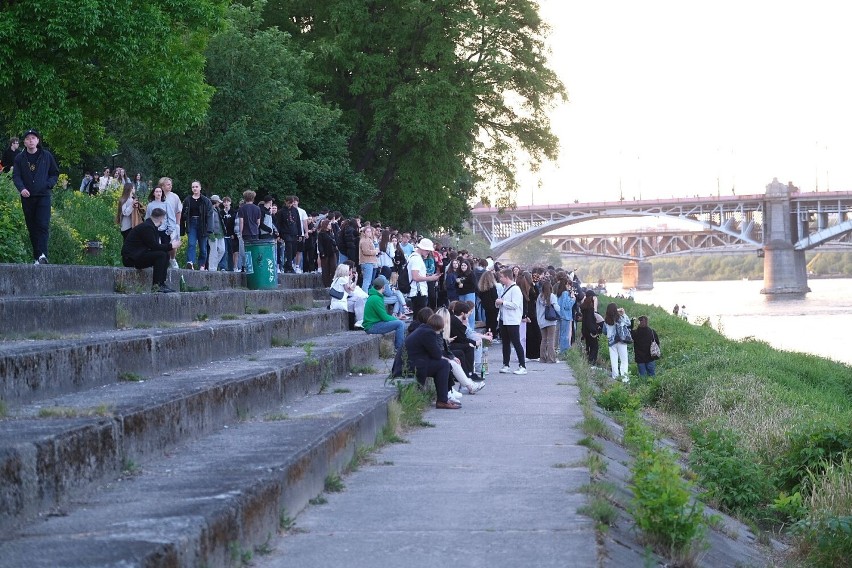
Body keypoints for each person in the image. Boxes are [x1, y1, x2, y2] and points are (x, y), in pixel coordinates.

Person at [12, 129, 59, 264]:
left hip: (43, 195)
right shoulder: (19, 158)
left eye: (33, 138)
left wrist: (48, 184)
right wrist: (21, 188)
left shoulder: (46, 156)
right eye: (28, 138)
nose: (31, 140)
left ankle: (43, 255)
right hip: (27, 197)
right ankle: (37, 256)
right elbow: (16, 176)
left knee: (42, 225)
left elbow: (54, 173)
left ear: (38, 141)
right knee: (32, 227)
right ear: (25, 142)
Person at [403, 313, 460, 409]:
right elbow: (437, 354)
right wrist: (446, 359)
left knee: (443, 364)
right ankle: (442, 400)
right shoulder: (428, 333)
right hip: (411, 365)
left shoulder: (423, 330)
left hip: (410, 362)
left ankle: (444, 398)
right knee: (444, 365)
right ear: (439, 327)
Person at [121, 207, 182, 293]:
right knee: (161, 255)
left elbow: (154, 246)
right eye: (164, 219)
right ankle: (156, 285)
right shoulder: (147, 228)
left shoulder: (151, 226)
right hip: (131, 258)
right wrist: (171, 245)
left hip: (138, 255)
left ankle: (161, 283)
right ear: (161, 218)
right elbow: (154, 246)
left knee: (165, 254)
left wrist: (169, 246)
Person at [362, 276, 407, 350]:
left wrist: (396, 318)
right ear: (383, 287)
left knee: (400, 323)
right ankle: (399, 349)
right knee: (400, 324)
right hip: (372, 326)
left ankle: (401, 348)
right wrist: (396, 318)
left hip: (374, 324)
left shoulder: (375, 296)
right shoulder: (376, 299)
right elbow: (384, 317)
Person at [496, 268, 526, 375]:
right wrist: (499, 303)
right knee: (505, 343)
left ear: (507, 277)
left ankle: (522, 365)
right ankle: (506, 364)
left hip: (512, 320)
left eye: (501, 277)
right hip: (503, 319)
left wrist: (503, 302)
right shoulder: (504, 288)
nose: (500, 279)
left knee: (516, 342)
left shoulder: (515, 289)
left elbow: (515, 305)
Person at [407, 237, 441, 317]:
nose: (428, 252)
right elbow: (415, 277)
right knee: (419, 317)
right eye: (427, 250)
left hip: (418, 290)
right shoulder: (416, 259)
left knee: (418, 317)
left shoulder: (414, 257)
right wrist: (430, 278)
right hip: (418, 291)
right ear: (422, 248)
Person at [603, 303, 631, 382]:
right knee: (624, 360)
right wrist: (624, 314)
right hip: (621, 341)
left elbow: (604, 331)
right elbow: (628, 323)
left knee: (613, 359)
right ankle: (625, 378)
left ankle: (615, 376)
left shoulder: (606, 320)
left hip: (611, 342)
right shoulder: (620, 318)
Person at [159, 177, 182, 269]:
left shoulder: (174, 196)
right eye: (168, 184)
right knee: (160, 243)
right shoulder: (157, 195)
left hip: (172, 224)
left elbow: (178, 211)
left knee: (173, 243)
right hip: (160, 224)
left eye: (171, 184)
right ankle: (161, 260)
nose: (170, 186)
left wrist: (177, 224)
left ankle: (172, 259)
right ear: (162, 186)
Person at [535, 279, 560, 363]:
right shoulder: (552, 296)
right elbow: (556, 308)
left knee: (544, 340)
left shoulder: (539, 297)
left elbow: (537, 310)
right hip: (551, 321)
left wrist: (539, 320)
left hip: (542, 321)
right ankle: (551, 358)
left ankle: (542, 358)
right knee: (551, 340)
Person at [580, 292, 601, 365]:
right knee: (594, 347)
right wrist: (594, 331)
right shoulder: (590, 308)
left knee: (588, 346)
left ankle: (588, 362)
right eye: (594, 297)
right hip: (590, 331)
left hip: (585, 330)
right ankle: (591, 363)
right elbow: (591, 320)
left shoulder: (583, 307)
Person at [556, 276, 576, 352]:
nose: (569, 286)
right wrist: (573, 299)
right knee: (565, 335)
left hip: (560, 315)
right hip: (566, 316)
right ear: (566, 284)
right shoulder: (565, 293)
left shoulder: (559, 293)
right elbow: (567, 306)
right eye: (568, 284)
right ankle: (564, 351)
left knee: (561, 334)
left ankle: (561, 350)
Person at [207, 195, 226, 271]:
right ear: (215, 202)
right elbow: (209, 222)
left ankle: (214, 265)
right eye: (218, 202)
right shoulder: (210, 209)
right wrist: (210, 233)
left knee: (222, 250)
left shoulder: (217, 209)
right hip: (213, 234)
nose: (219, 203)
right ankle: (212, 268)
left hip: (220, 234)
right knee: (213, 251)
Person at [358, 225, 379, 292]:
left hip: (368, 262)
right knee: (366, 281)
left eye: (370, 231)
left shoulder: (368, 240)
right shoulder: (364, 241)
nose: (369, 233)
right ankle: (364, 297)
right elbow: (366, 251)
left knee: (367, 281)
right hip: (367, 262)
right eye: (367, 231)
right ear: (364, 233)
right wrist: (375, 251)